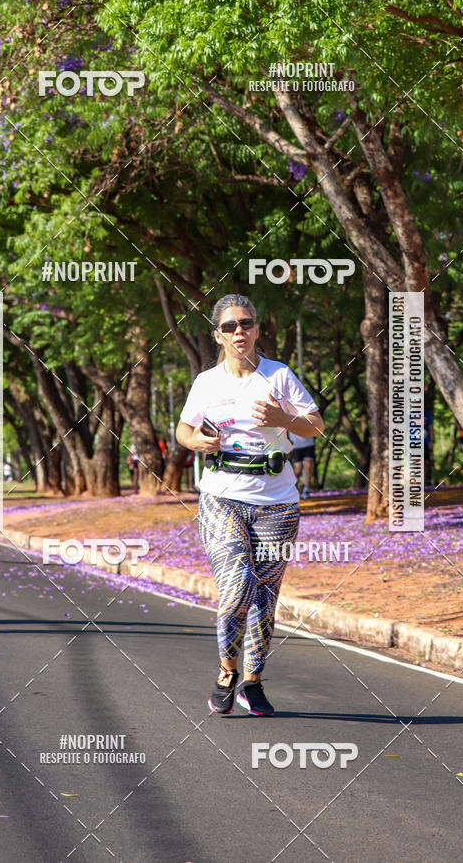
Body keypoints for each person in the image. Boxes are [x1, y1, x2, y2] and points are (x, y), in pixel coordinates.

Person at [176, 294, 324, 716]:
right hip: (223, 495)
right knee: (238, 583)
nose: (238, 331)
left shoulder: (279, 376)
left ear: (257, 329)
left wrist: (283, 418)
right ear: (217, 336)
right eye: (229, 326)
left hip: (277, 501)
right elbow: (184, 430)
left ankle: (252, 682)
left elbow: (315, 424)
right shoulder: (207, 382)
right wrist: (197, 441)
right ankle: (226, 672)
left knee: (264, 595)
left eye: (246, 323)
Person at [289, 433, 315, 499]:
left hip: (309, 444)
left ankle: (306, 490)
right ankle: (291, 486)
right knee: (298, 469)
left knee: (308, 466)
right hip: (296, 446)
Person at [423, 411, 434, 486]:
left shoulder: (427, 415)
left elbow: (431, 428)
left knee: (425, 462)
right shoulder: (410, 415)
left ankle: (425, 479)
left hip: (425, 442)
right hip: (413, 442)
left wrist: (431, 441)